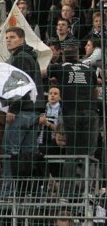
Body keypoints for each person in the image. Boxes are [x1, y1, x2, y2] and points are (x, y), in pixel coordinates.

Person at [0, 27, 46, 198]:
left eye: (12, 37)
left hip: (21, 113)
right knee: (27, 156)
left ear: (22, 40)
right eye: (7, 37)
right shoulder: (32, 58)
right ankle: (28, 194)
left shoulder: (20, 58)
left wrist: (12, 109)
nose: (8, 40)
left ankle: (7, 195)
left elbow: (19, 86)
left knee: (10, 153)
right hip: (33, 113)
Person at [48, 46, 99, 200]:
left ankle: (66, 192)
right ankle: (87, 191)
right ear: (78, 56)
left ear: (64, 57)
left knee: (72, 153)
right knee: (88, 153)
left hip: (71, 112)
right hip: (90, 111)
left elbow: (44, 73)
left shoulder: (60, 67)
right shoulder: (89, 68)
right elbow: (95, 91)